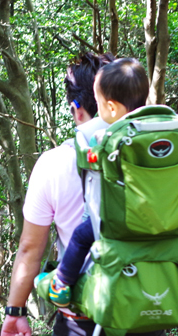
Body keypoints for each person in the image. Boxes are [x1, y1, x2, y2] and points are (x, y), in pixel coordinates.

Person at [0, 53, 165, 336]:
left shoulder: (55, 162)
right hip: (149, 303)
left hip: (82, 317)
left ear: (81, 105)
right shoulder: (159, 150)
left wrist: (15, 312)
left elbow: (30, 250)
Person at [48, 58, 150, 307]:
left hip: (119, 219)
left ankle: (62, 283)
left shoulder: (107, 136)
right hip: (159, 218)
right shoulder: (155, 131)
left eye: (100, 103)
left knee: (82, 235)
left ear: (112, 108)